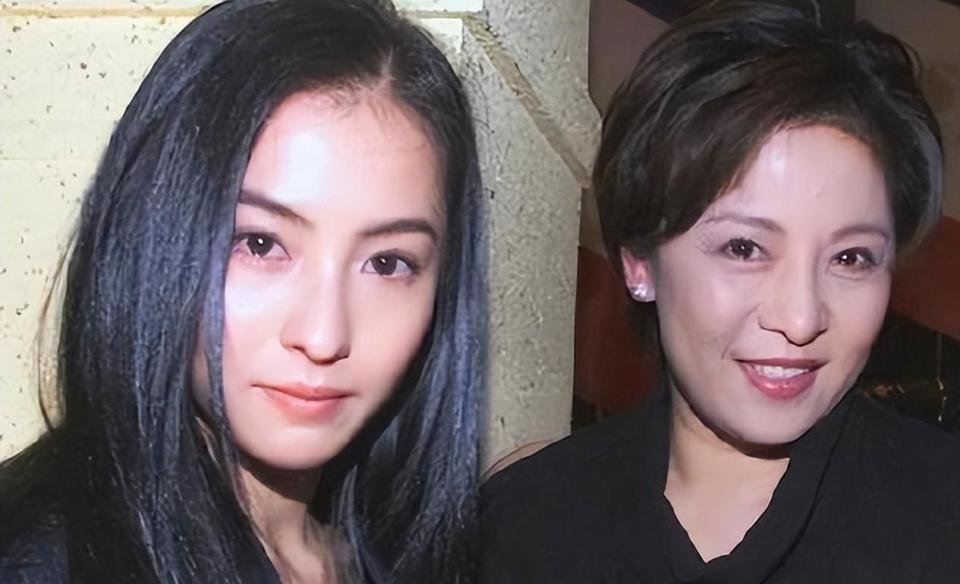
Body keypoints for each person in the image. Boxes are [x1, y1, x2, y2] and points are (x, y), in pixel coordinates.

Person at [0, 0, 487, 582]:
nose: (322, 335)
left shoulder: (398, 561)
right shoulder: (40, 559)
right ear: (155, 232)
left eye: (387, 263)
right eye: (259, 244)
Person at [481, 1, 960, 582]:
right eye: (744, 248)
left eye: (851, 258)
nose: (801, 318)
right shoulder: (528, 524)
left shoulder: (941, 516)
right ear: (639, 262)